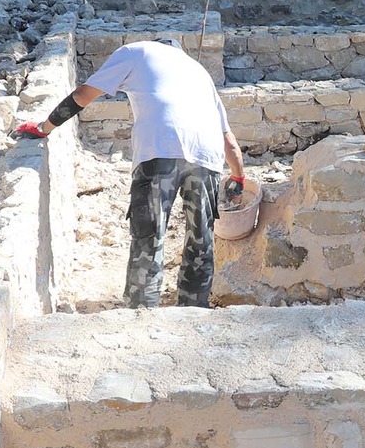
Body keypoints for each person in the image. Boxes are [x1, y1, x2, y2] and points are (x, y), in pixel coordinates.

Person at [15, 39, 245, 308]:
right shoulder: (199, 72)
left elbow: (83, 95)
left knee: (149, 233)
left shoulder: (136, 51)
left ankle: (142, 311)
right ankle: (195, 309)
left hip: (159, 147)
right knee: (201, 237)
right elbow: (228, 140)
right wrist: (238, 178)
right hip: (208, 156)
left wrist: (45, 127)